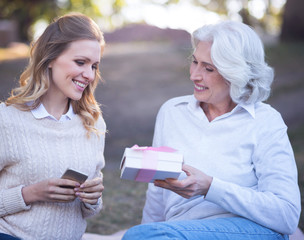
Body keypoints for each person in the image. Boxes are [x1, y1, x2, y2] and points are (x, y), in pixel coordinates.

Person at [123, 21, 301, 240]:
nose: (194, 75)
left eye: (208, 68)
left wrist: (210, 188)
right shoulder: (172, 112)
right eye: (194, 62)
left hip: (249, 229)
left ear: (236, 73)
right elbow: (157, 195)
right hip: (180, 230)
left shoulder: (265, 121)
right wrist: (146, 233)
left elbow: (286, 215)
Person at [0, 12, 106, 240]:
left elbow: (89, 211)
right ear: (50, 58)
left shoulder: (93, 124)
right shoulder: (8, 119)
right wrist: (30, 194)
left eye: (94, 66)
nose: (88, 74)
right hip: (6, 235)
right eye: (80, 62)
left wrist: (93, 198)